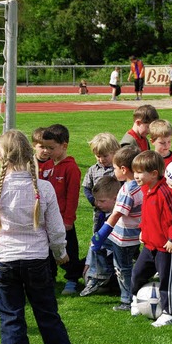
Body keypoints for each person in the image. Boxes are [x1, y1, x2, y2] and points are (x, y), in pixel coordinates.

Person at [0, 130, 96, 344]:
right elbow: (55, 229)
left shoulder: (4, 189)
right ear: (31, 154)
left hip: (5, 261)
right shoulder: (42, 187)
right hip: (36, 261)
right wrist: (61, 253)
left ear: (1, 157)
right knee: (47, 315)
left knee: (11, 318)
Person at [130, 151, 172, 327]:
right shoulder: (147, 190)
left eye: (140, 172)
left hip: (166, 248)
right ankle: (136, 300)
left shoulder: (166, 194)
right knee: (137, 273)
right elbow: (148, 217)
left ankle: (171, 313)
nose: (136, 176)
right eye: (135, 172)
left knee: (167, 281)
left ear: (154, 173)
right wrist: (143, 231)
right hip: (150, 245)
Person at [87, 146, 142, 310]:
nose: (114, 171)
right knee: (98, 249)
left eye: (116, 168)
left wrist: (101, 234)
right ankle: (100, 275)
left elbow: (117, 214)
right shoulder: (139, 186)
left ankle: (127, 300)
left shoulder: (128, 190)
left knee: (123, 268)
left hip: (124, 238)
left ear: (124, 169)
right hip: (122, 235)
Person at [41, 124, 83, 294]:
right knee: (47, 251)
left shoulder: (71, 168)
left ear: (64, 146)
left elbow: (73, 197)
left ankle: (72, 279)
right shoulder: (46, 166)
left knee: (68, 251)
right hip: (47, 219)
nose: (47, 151)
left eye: (51, 147)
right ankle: (49, 279)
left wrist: (68, 220)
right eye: (44, 147)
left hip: (63, 221)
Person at [80, 133, 121, 289]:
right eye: (98, 156)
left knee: (114, 239)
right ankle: (96, 268)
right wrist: (94, 201)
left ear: (114, 152)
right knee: (98, 236)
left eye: (105, 156)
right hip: (100, 212)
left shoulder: (117, 170)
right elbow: (86, 187)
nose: (101, 159)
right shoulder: (93, 170)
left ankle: (113, 268)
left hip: (116, 212)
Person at [80, 175, 122, 297]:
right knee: (80, 268)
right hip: (103, 256)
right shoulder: (101, 215)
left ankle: (103, 280)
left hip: (118, 258)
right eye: (96, 200)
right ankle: (99, 279)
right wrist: (88, 262)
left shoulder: (121, 216)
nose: (97, 204)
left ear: (115, 199)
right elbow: (95, 239)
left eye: (102, 201)